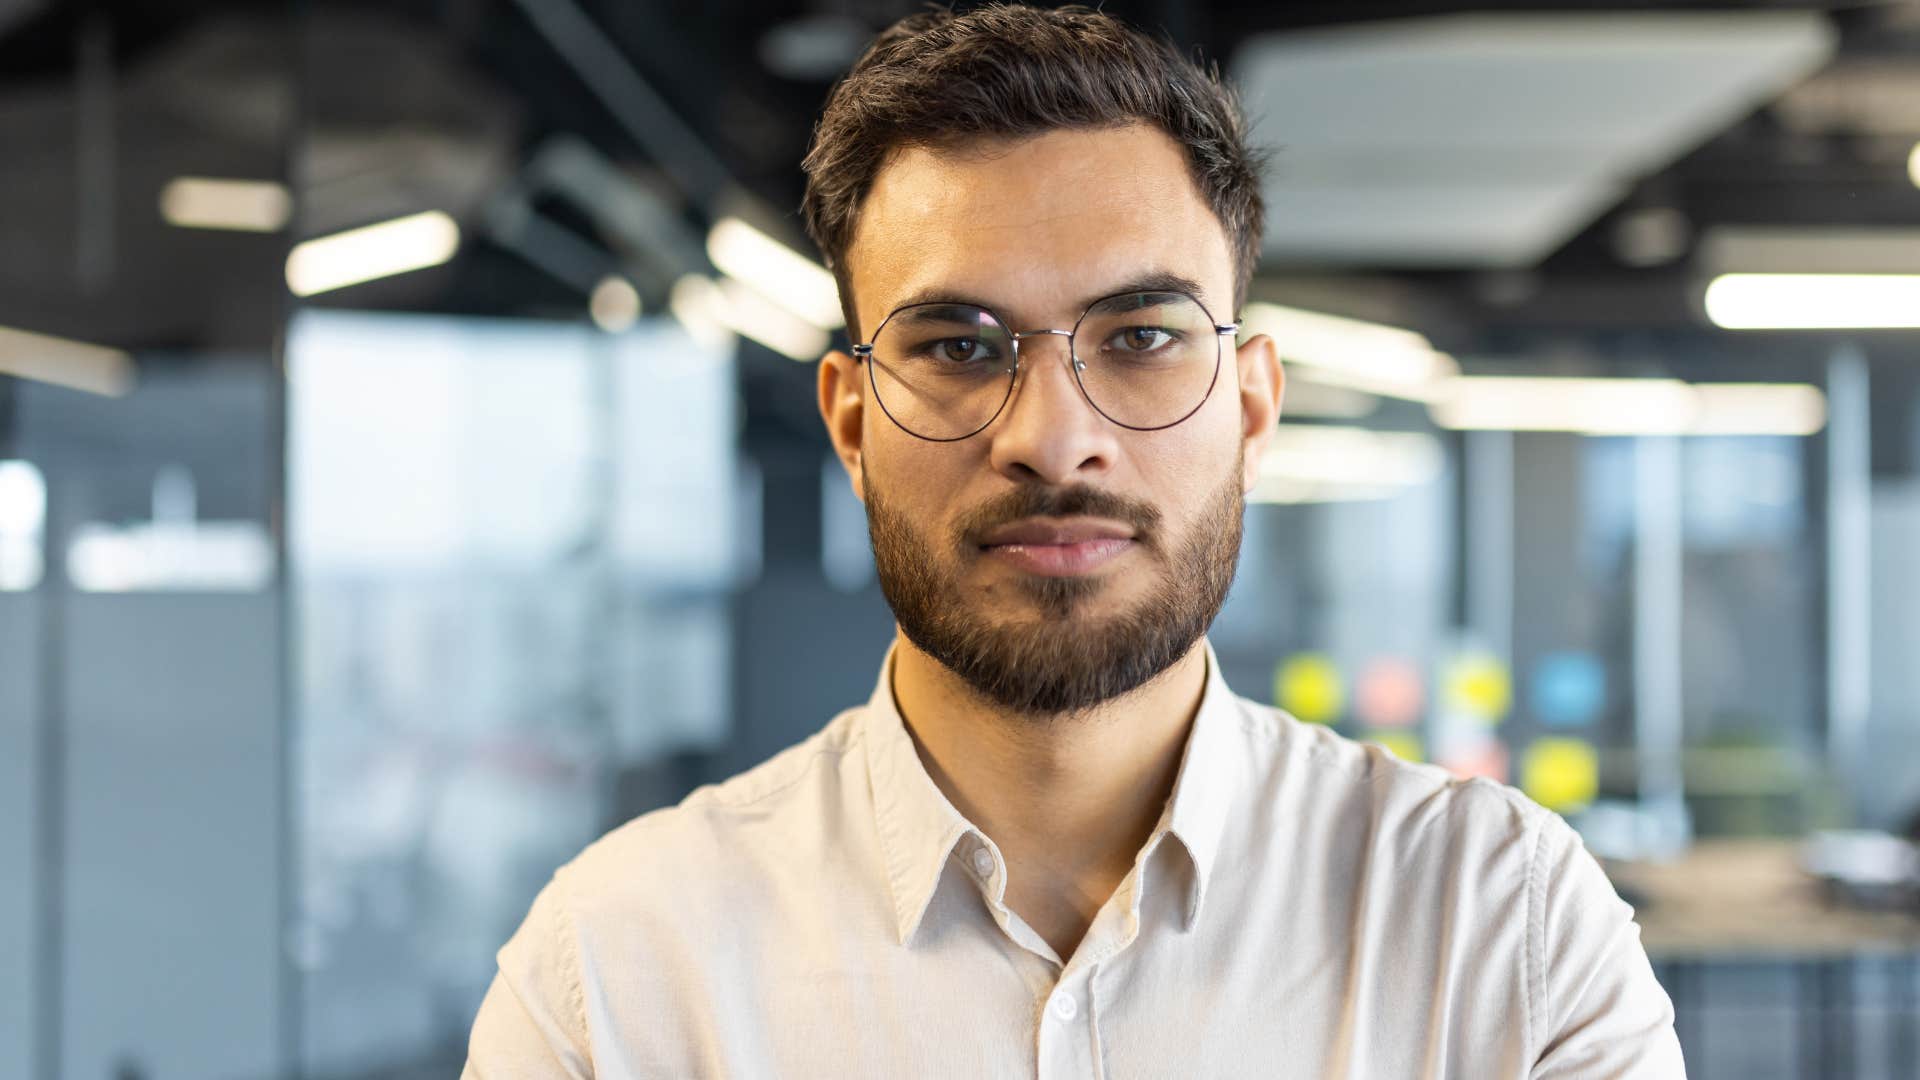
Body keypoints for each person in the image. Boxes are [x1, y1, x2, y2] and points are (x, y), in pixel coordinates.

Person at [464, 5, 1686, 1076]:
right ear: (849, 420)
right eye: (956, 345)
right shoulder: (621, 969)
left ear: (1252, 407)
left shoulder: (1500, 928)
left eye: (1141, 337)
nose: (1053, 442)